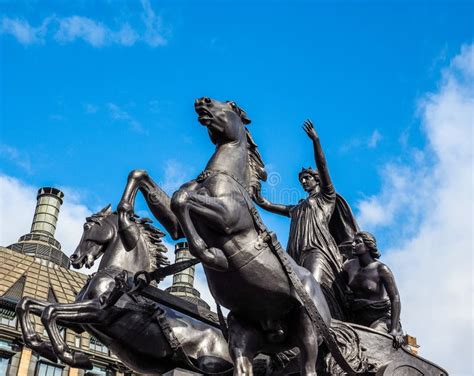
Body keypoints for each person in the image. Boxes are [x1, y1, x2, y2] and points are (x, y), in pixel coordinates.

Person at [255, 119, 348, 320]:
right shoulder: (297, 208)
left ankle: (329, 325)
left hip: (318, 250)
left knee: (313, 287)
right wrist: (255, 192)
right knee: (292, 291)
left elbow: (323, 166)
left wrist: (316, 141)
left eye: (307, 178)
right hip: (296, 252)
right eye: (301, 180)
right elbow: (266, 204)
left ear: (316, 179)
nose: (304, 181)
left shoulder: (326, 197)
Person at [343, 231, 404, 347]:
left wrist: (394, 329)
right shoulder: (348, 266)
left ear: (368, 246)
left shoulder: (381, 269)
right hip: (357, 318)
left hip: (380, 319)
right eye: (353, 242)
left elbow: (395, 298)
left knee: (372, 340)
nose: (353, 245)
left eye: (358, 242)